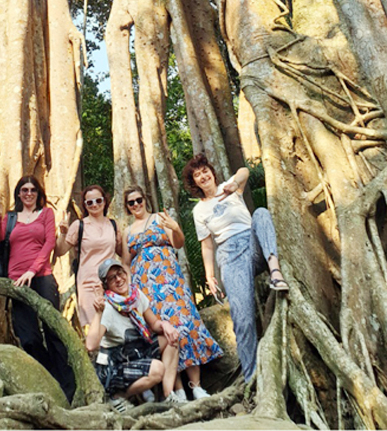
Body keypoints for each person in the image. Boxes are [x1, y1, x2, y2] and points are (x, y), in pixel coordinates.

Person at [183, 154, 288, 383]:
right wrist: (210, 276)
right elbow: (207, 246)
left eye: (205, 170)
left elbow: (244, 171)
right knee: (243, 319)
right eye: (197, 175)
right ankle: (251, 379)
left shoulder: (229, 187)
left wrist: (233, 184)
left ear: (211, 171)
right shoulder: (199, 212)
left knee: (260, 214)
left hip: (252, 243)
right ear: (195, 183)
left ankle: (275, 272)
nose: (203, 176)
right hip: (230, 257)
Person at [123, 186, 223, 400]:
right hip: (145, 287)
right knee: (165, 334)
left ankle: (196, 386)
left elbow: (178, 243)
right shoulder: (127, 231)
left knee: (185, 324)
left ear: (145, 199)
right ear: (127, 207)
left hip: (170, 280)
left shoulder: (160, 218)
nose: (136, 205)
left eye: (138, 200)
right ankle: (177, 390)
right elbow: (125, 262)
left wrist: (176, 228)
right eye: (131, 203)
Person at [0, 176, 75, 402]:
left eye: (33, 190)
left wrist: (33, 270)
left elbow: (49, 243)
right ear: (18, 194)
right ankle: (47, 380)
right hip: (16, 280)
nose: (29, 193)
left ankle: (69, 388)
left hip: (42, 277)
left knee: (53, 332)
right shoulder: (11, 216)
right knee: (28, 337)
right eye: (24, 190)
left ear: (39, 194)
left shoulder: (46, 214)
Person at [87, 258, 181, 411]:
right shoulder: (108, 308)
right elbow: (91, 345)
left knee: (171, 339)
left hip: (136, 352)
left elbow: (154, 324)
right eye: (112, 278)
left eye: (119, 273)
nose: (118, 279)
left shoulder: (135, 296)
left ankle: (168, 396)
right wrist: (98, 313)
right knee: (157, 369)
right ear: (106, 285)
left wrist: (166, 325)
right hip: (116, 365)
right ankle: (117, 397)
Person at [55, 184, 122, 328]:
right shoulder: (79, 225)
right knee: (93, 327)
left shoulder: (113, 225)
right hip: (88, 284)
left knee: (114, 327)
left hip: (112, 284)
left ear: (105, 201)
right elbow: (60, 251)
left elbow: (123, 252)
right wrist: (63, 233)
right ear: (85, 205)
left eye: (98, 200)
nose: (95, 205)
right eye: (89, 202)